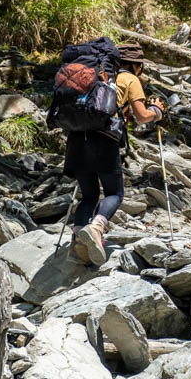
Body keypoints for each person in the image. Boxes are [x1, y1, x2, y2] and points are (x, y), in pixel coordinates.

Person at [66, 42, 165, 265]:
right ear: (135, 65)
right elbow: (142, 116)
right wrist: (157, 111)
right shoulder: (130, 79)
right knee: (115, 193)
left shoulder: (93, 73)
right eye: (141, 66)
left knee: (89, 196)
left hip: (76, 138)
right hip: (104, 141)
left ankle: (77, 245)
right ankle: (96, 229)